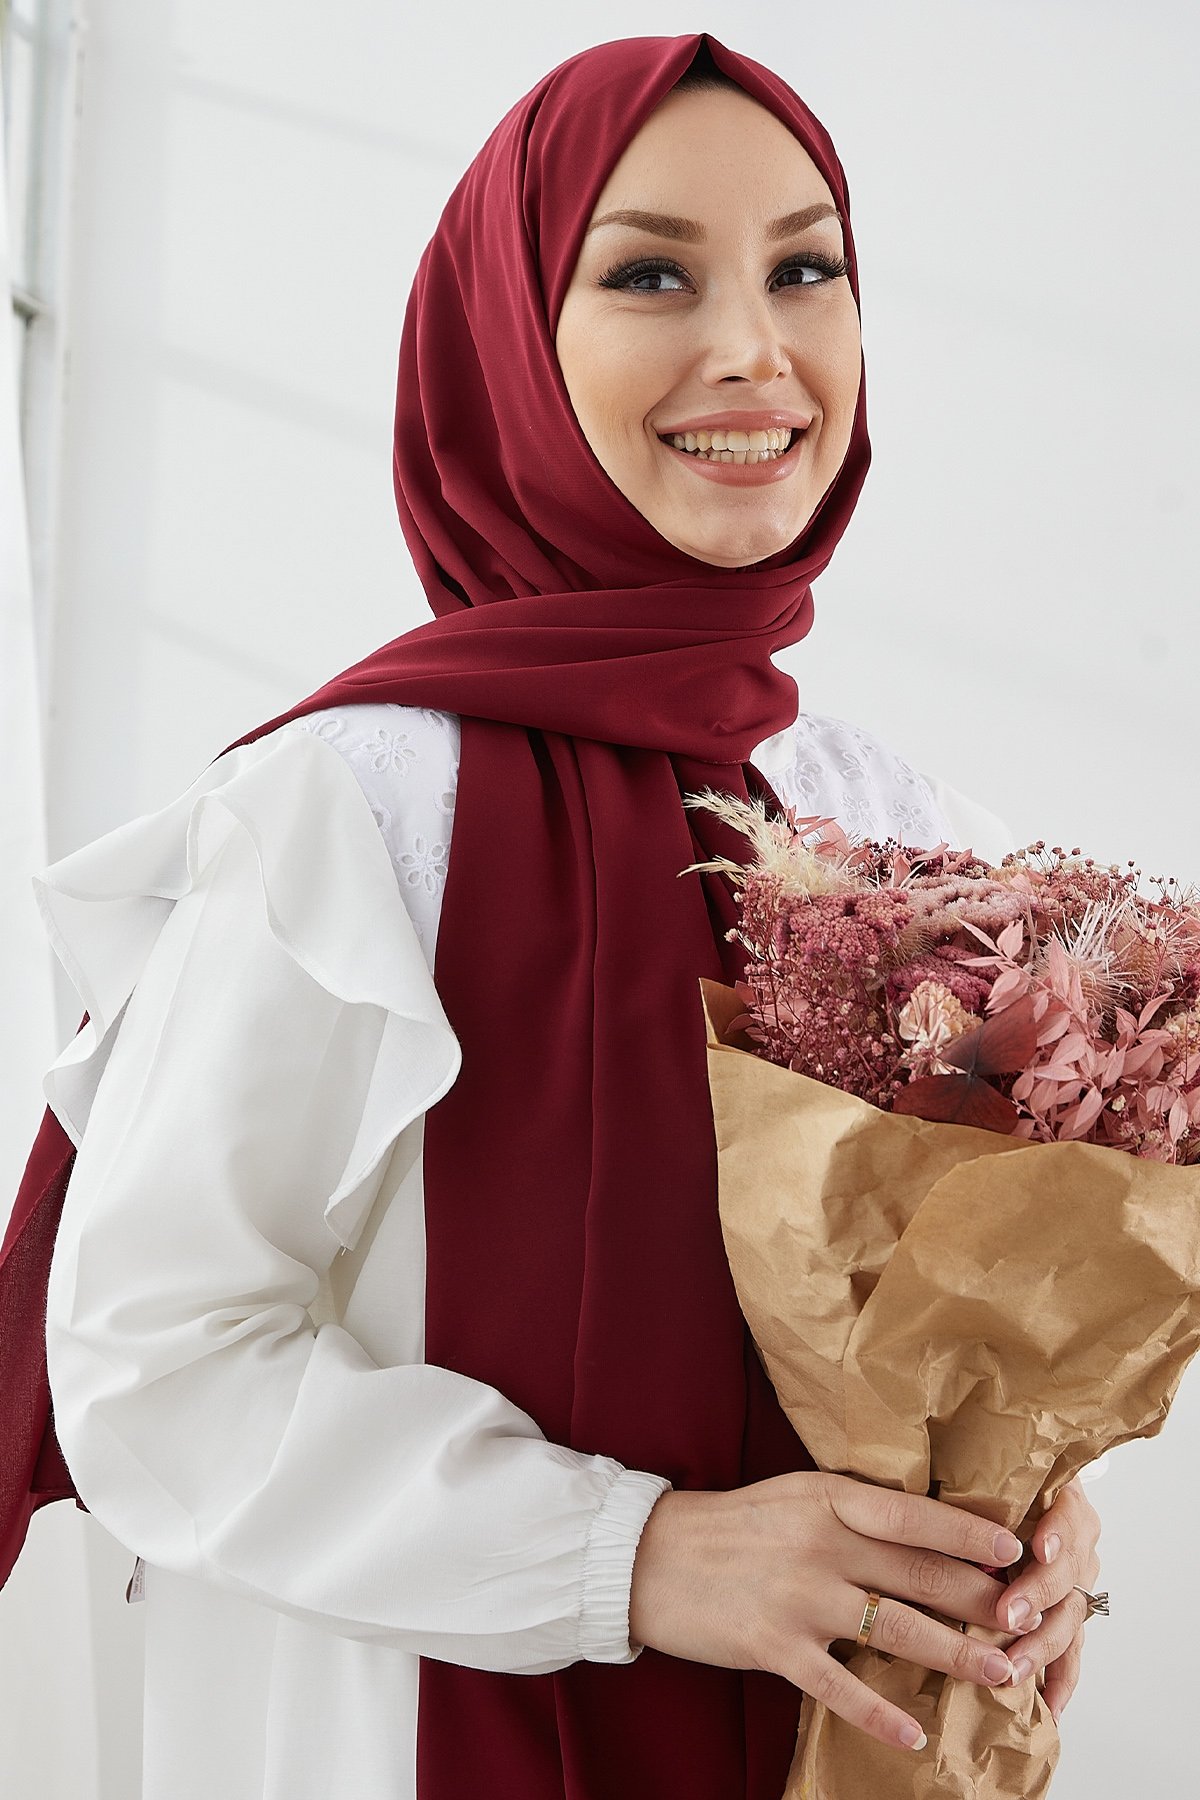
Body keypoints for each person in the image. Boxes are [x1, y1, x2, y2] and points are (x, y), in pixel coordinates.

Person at [0, 30, 1101, 1800]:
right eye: (652, 271)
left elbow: (932, 1333)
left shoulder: (898, 831)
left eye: (806, 266)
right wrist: (642, 1556)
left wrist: (1032, 1527)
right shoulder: (355, 811)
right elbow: (150, 1368)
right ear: (508, 339)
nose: (755, 348)